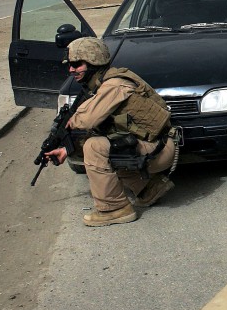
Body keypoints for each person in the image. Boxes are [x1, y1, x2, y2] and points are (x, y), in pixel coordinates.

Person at [43, 37, 177, 227]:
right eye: (70, 65)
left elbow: (87, 119)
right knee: (96, 142)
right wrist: (66, 149)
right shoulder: (105, 82)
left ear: (93, 61)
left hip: (159, 150)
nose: (71, 70)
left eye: (76, 64)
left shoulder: (113, 85)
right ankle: (149, 188)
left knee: (94, 147)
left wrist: (71, 120)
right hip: (154, 145)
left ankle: (114, 209)